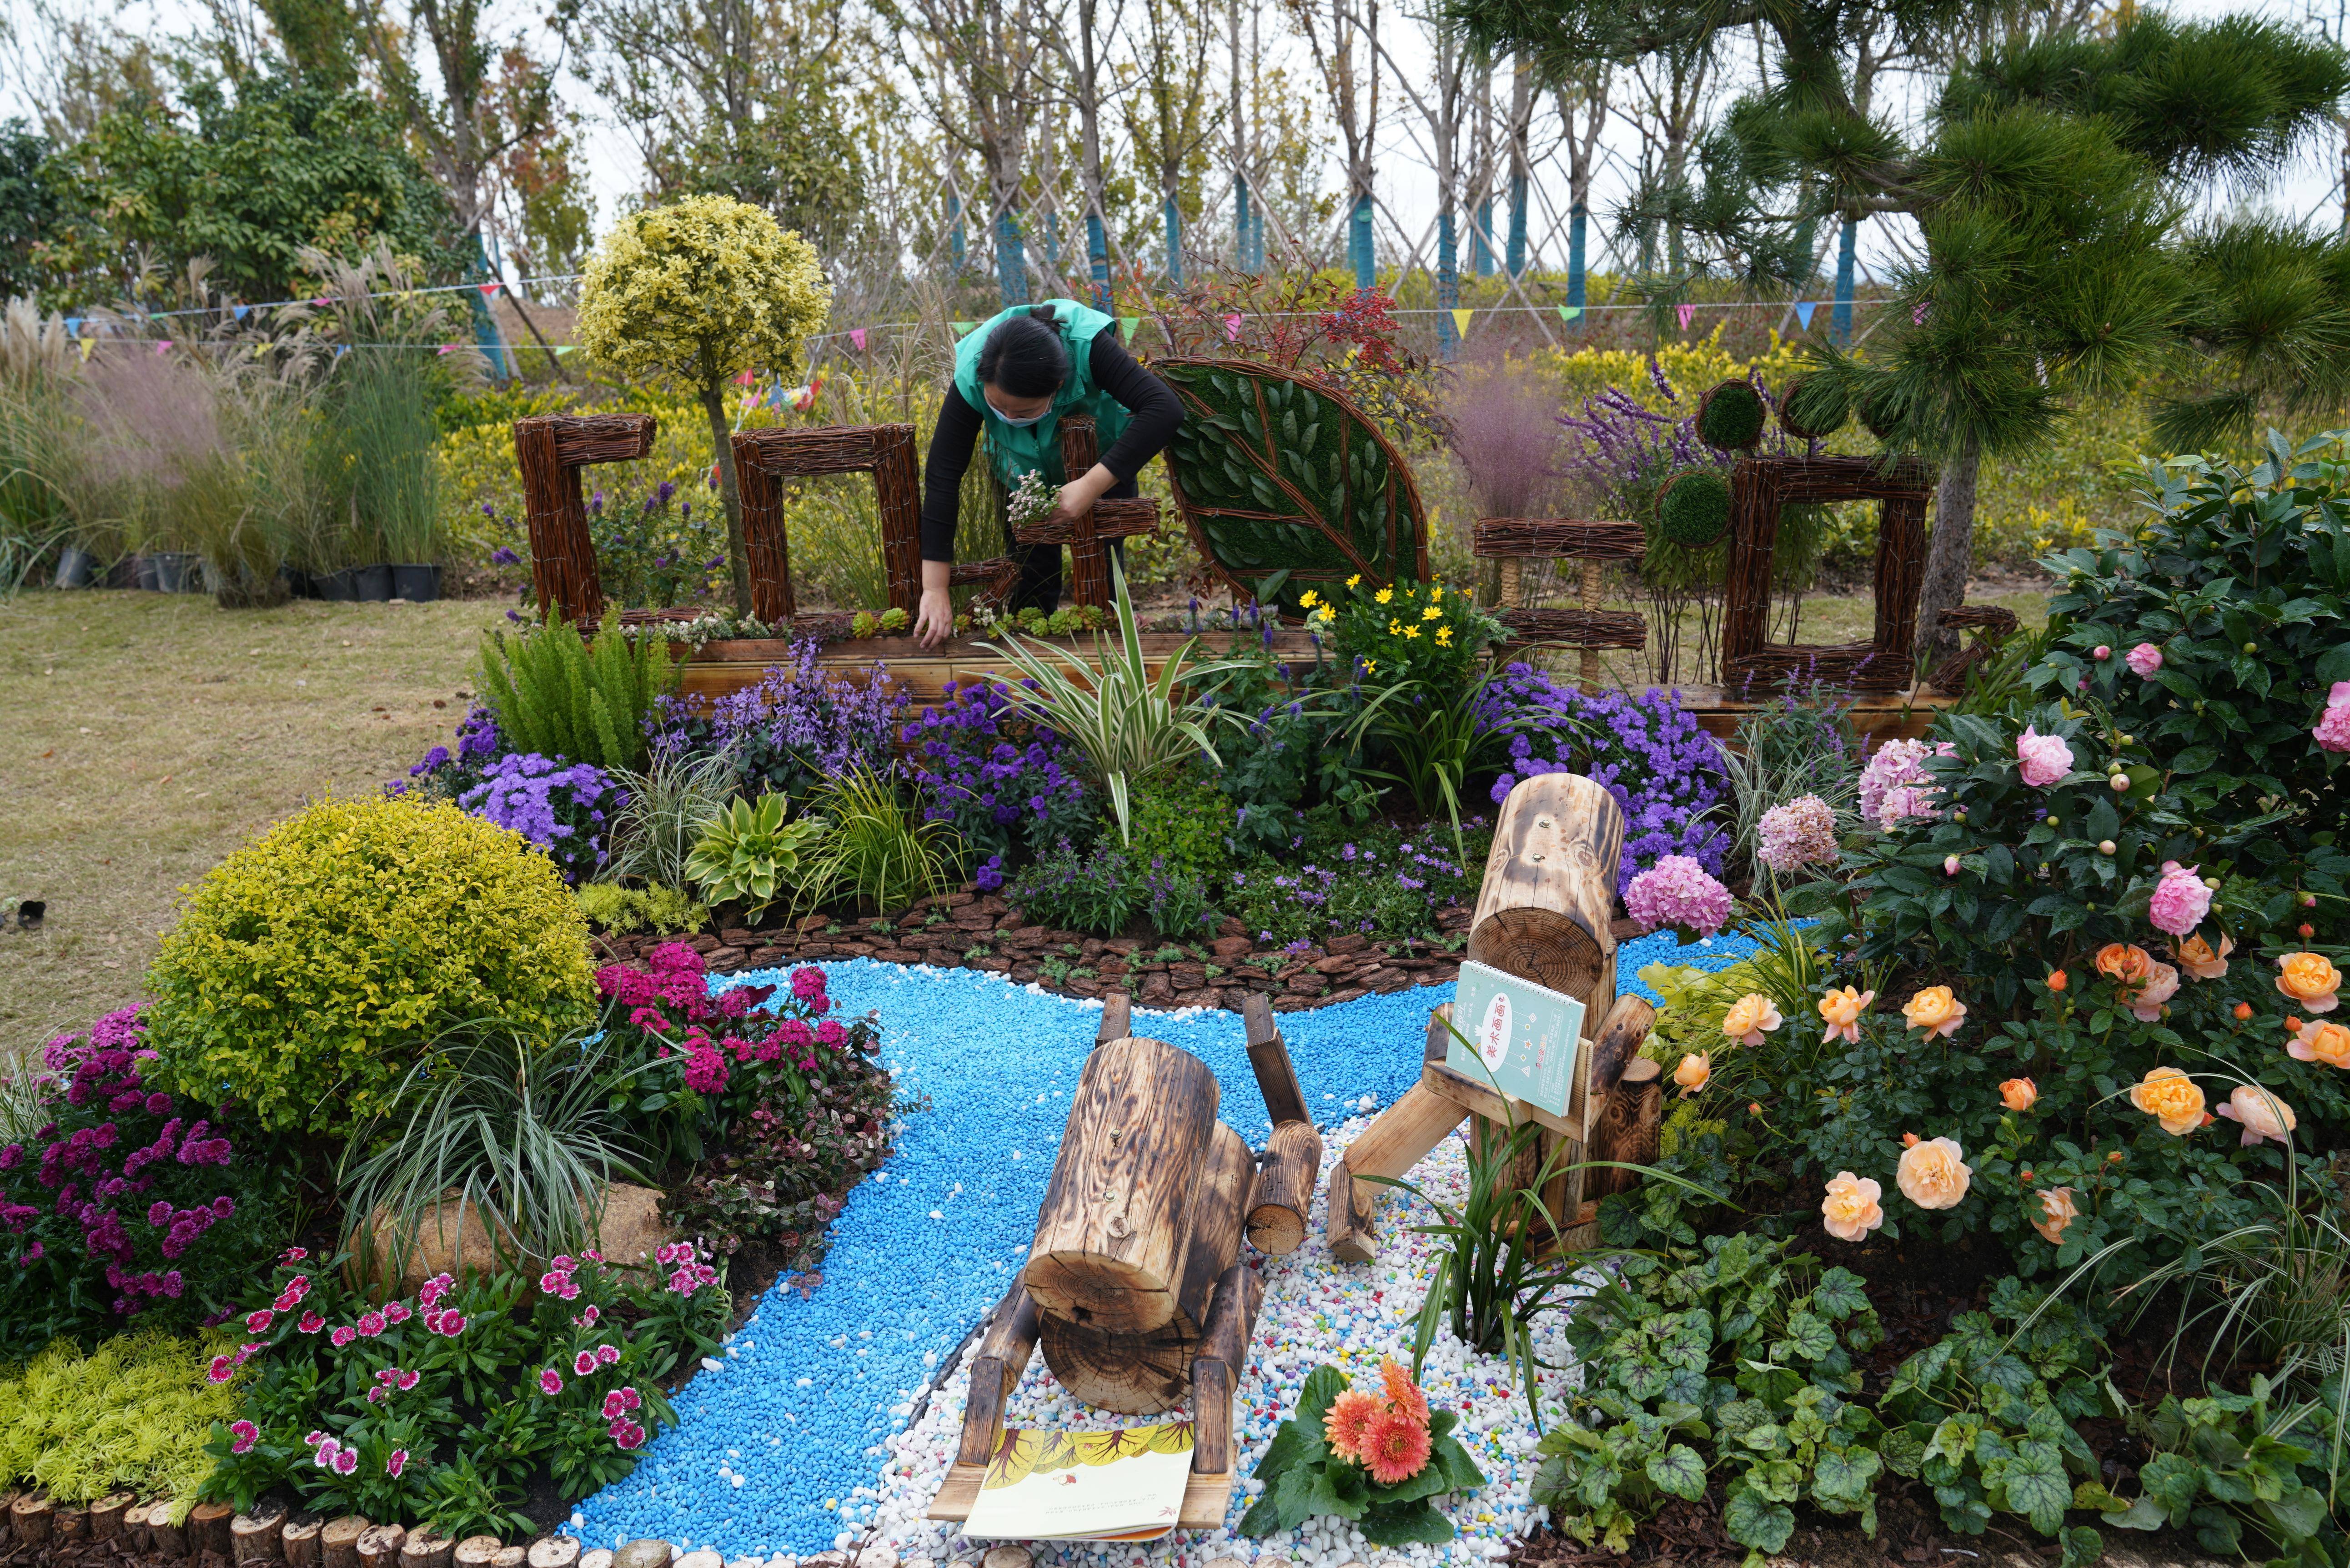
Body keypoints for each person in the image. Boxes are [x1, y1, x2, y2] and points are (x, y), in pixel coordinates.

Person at [915, 299, 1182, 647]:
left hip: (1101, 465)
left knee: (1102, 574)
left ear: (1059, 384)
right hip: (1020, 475)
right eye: (998, 407)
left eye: (1024, 410)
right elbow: (943, 475)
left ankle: (1111, 662)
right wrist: (935, 588)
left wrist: (1089, 487)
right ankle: (1034, 679)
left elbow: (1164, 409)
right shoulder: (973, 371)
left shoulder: (1089, 346)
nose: (1009, 415)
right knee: (1033, 578)